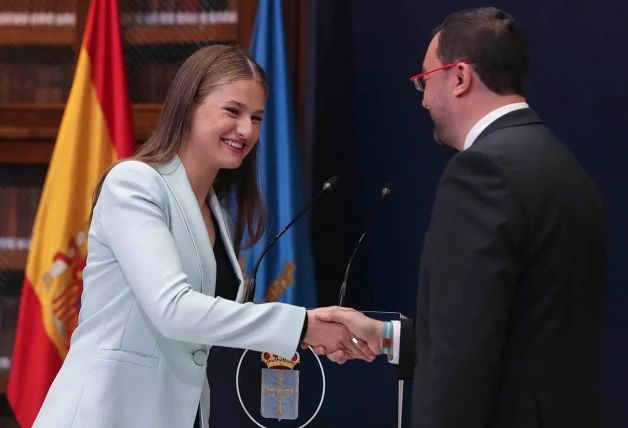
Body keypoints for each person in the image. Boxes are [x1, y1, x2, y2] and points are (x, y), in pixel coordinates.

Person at [32, 44, 374, 428]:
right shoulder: (134, 184)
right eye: (233, 111)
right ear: (188, 106)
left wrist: (318, 337)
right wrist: (302, 326)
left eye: (257, 117)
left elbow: (214, 330)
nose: (246, 130)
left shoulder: (218, 215)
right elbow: (174, 310)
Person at [306, 7, 607, 428]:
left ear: (460, 77)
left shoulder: (483, 172)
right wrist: (384, 335)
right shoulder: (562, 165)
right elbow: (513, 327)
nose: (425, 98)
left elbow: (460, 351)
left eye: (425, 81)